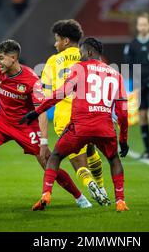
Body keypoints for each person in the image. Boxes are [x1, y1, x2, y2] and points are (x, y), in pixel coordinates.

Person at [0, 39, 91, 209]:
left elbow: (41, 113)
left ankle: (79, 197)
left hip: (26, 126)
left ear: (13, 58)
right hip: (2, 121)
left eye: (1, 58)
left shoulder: (31, 81)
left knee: (47, 164)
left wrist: (44, 142)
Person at [21, 37, 130, 212]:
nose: (79, 56)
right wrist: (123, 139)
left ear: (89, 52)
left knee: (55, 156)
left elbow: (60, 93)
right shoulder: (115, 74)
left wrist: (37, 111)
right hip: (105, 128)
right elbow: (123, 112)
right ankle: (120, 202)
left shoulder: (79, 68)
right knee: (114, 159)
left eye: (80, 53)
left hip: (80, 127)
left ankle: (46, 195)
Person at [41, 19, 108, 205]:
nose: (55, 44)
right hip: (89, 112)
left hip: (64, 115)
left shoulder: (53, 61)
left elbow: (46, 95)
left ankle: (90, 184)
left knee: (77, 159)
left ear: (66, 41)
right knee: (92, 150)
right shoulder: (88, 56)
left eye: (57, 40)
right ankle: (101, 187)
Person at [123, 12, 149, 159]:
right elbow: (129, 64)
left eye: (145, 24)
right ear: (137, 26)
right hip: (138, 84)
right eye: (140, 24)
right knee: (142, 115)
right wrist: (137, 82)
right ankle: (147, 150)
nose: (142, 27)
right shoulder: (132, 44)